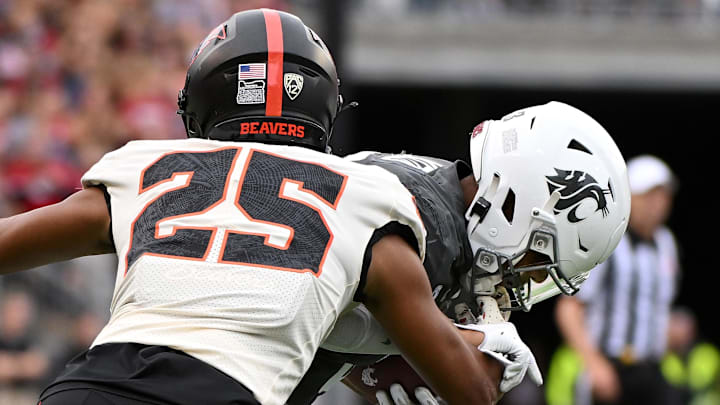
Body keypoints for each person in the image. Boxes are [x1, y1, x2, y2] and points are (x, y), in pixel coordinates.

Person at [0, 9, 537, 405]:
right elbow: (469, 391)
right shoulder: (366, 194)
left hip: (85, 389)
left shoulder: (144, 164)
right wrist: (492, 337)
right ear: (324, 105)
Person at [286, 101, 632, 405]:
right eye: (539, 259)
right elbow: (302, 294)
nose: (536, 278)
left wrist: (378, 350)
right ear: (511, 204)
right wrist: (454, 343)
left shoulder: (442, 198)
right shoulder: (429, 231)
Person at [555, 154, 680, 405]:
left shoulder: (667, 244)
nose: (659, 204)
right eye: (650, 195)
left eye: (664, 196)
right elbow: (569, 308)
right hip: (611, 366)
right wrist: (594, 363)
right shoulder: (608, 239)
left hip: (651, 369)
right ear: (631, 196)